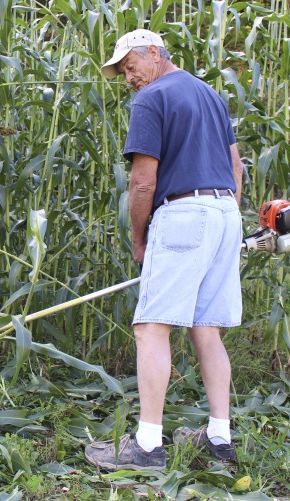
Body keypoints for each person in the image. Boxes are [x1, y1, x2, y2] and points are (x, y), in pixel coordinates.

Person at [85, 29, 245, 471]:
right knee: (206, 327)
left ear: (153, 54)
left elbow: (142, 181)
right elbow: (236, 168)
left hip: (184, 213)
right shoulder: (210, 95)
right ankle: (218, 437)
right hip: (225, 211)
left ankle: (148, 445)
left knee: (151, 328)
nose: (128, 78)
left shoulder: (152, 98)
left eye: (130, 67)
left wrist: (139, 239)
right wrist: (225, 220)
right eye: (122, 72)